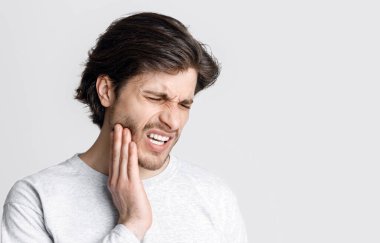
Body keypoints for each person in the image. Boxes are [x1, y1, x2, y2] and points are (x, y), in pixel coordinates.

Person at [1, 12, 248, 242]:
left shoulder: (215, 197)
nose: (173, 121)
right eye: (155, 98)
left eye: (184, 104)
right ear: (107, 91)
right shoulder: (37, 199)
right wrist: (132, 225)